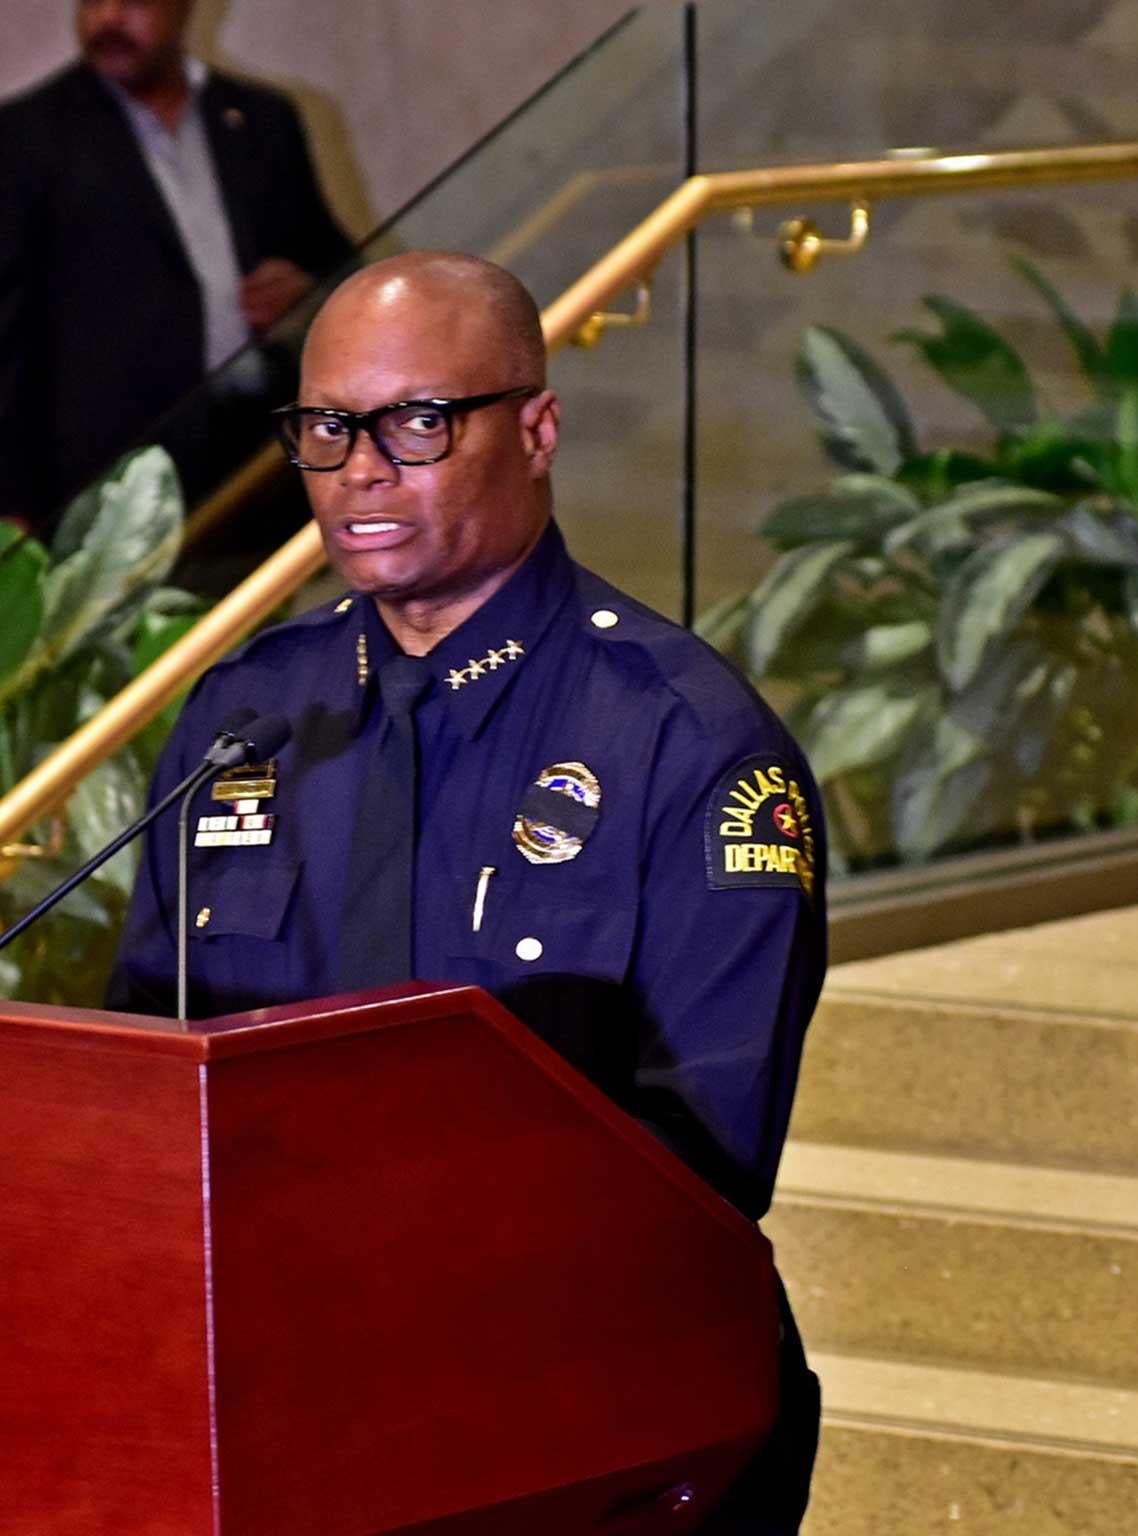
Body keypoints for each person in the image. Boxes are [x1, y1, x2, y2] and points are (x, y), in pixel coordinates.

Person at [110, 251, 826, 1532]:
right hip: (268, 1413)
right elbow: (142, 1090)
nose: (362, 469)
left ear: (539, 429)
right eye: (328, 426)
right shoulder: (247, 715)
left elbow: (699, 1183)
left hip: (575, 1422)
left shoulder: (688, 745)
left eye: (419, 422)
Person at [0, 0, 352, 535]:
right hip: (111, 494)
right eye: (92, 0)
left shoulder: (260, 119)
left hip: (260, 462)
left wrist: (306, 290)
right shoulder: (26, 136)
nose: (107, 19)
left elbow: (340, 265)